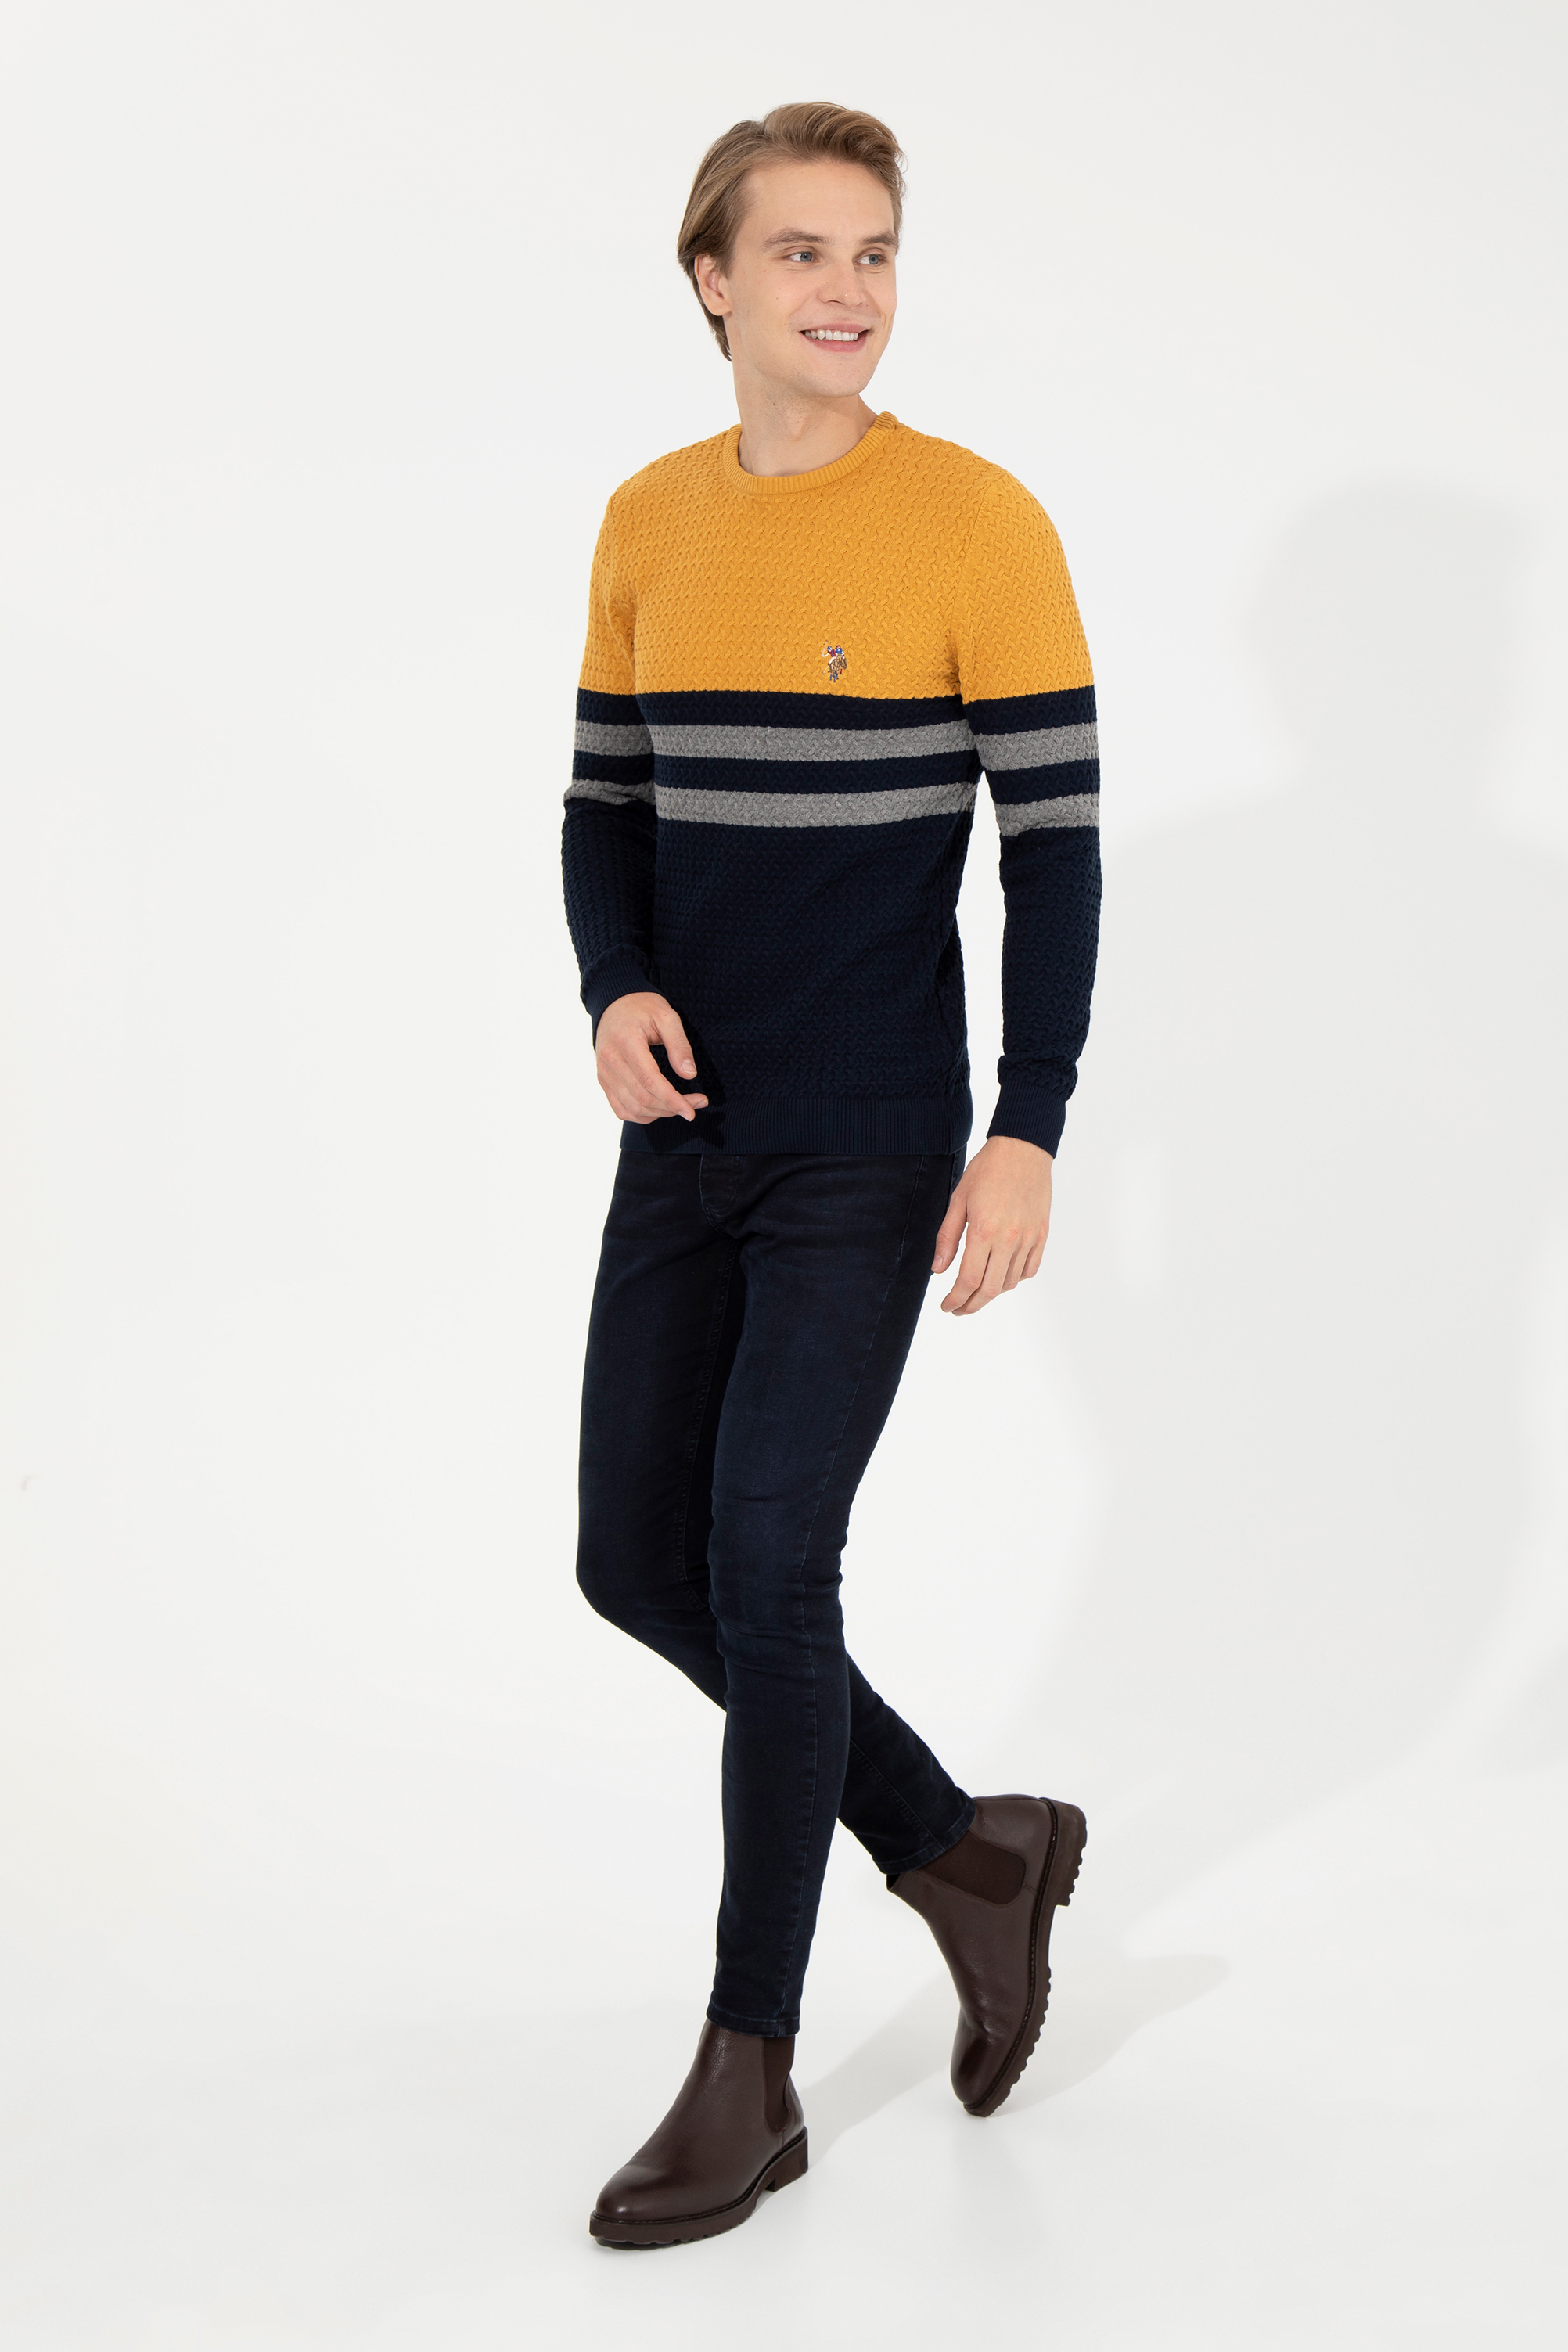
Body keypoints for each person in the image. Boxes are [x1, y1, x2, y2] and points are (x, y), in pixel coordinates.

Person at [562, 101, 1099, 2248]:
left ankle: (748, 2069)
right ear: (711, 281)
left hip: (869, 1139)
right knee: (637, 1560)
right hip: (685, 1132)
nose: (847, 292)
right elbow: (604, 804)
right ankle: (968, 1852)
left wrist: (1029, 1121)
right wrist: (611, 984)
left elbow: (1052, 848)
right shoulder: (648, 519)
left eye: (872, 253)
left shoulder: (976, 520)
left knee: (770, 1571)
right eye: (799, 253)